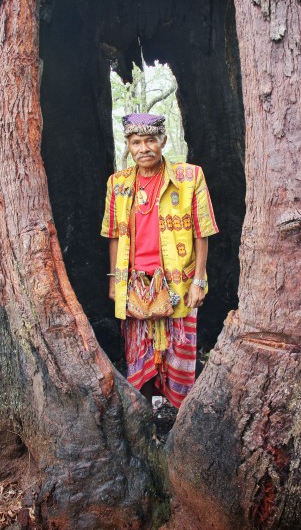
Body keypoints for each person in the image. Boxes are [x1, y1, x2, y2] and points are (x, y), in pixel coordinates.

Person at [101, 113, 219, 408]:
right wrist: (116, 280)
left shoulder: (189, 178)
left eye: (151, 140)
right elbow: (114, 234)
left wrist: (199, 281)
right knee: (139, 352)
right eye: (136, 142)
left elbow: (202, 232)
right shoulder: (118, 183)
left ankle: (180, 417)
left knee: (179, 351)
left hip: (179, 279)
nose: (144, 148)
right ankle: (146, 419)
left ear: (163, 141)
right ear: (128, 146)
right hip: (136, 284)